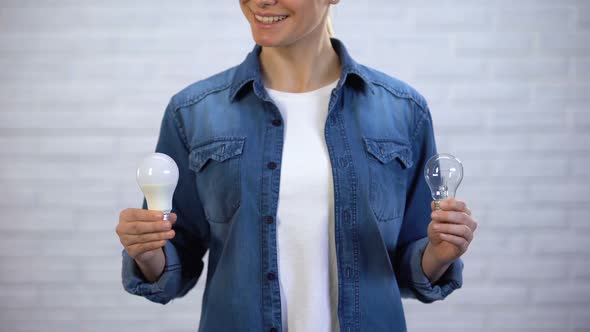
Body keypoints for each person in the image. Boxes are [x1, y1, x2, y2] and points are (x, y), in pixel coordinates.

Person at [115, 0, 478, 331]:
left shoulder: (402, 112)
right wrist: (148, 253)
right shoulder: (195, 113)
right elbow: (176, 265)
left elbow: (409, 268)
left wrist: (439, 253)